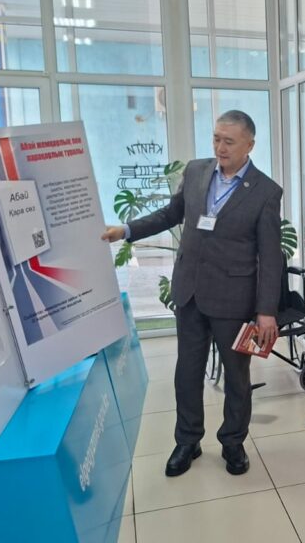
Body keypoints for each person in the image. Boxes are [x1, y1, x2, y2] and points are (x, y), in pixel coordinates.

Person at [102, 110, 283, 477]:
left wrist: (266, 311)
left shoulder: (265, 192)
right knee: (187, 371)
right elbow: (170, 214)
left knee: (236, 377)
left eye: (229, 141)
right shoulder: (197, 171)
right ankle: (187, 440)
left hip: (233, 299)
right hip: (190, 292)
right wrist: (126, 230)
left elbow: (270, 256)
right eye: (216, 138)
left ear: (249, 145)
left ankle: (232, 441)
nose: (220, 147)